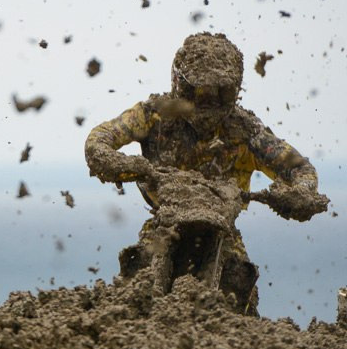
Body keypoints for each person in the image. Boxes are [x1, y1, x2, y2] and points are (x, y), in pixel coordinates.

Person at [84, 31, 328, 312]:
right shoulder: (155, 115)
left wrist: (298, 194)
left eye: (220, 95)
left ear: (235, 91)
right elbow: (98, 140)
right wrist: (128, 166)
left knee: (239, 286)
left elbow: (300, 169)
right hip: (165, 223)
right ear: (178, 83)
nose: (207, 105)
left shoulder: (245, 131)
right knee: (136, 281)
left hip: (223, 231)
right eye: (196, 93)